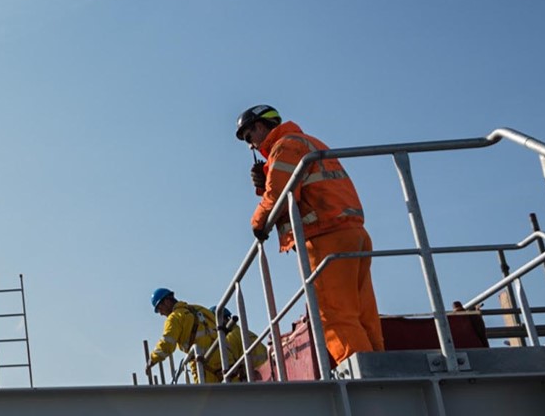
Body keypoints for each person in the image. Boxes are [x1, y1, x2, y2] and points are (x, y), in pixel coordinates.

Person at [239, 104, 385, 366]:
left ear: (260, 126)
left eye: (249, 137)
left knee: (333, 313)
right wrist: (266, 176)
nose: (250, 145)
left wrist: (258, 221)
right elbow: (300, 189)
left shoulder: (284, 147)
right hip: (353, 233)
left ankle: (363, 374)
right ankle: (379, 366)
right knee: (362, 313)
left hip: (324, 236)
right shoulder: (306, 142)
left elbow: (280, 198)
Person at [144, 288, 247, 383]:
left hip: (203, 364)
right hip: (226, 358)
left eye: (159, 309)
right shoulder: (200, 309)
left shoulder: (175, 318)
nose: (161, 313)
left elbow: (167, 344)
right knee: (238, 396)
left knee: (208, 400)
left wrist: (151, 360)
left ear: (166, 301)